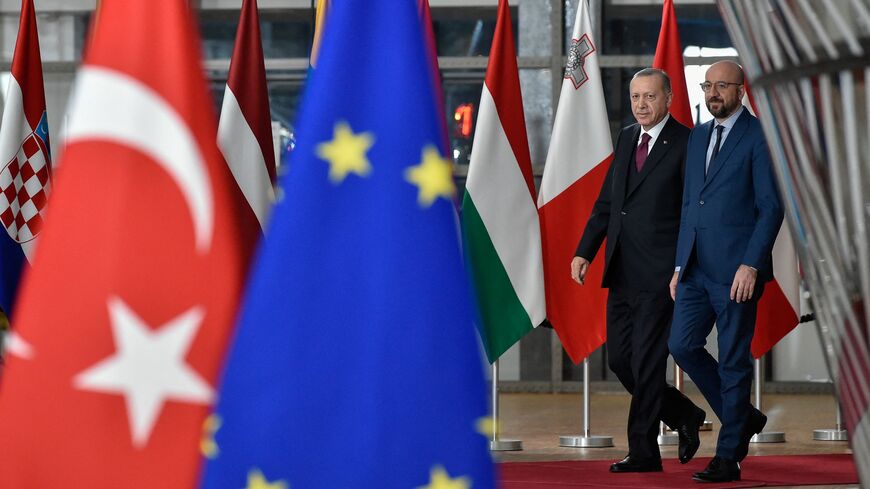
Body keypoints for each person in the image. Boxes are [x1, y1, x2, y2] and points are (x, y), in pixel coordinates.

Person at [572, 68, 706, 473]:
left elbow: (691, 212)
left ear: (667, 98)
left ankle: (644, 452)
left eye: (650, 97)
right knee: (621, 362)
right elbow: (609, 202)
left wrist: (682, 265)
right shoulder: (627, 136)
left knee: (648, 363)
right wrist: (585, 251)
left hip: (661, 273)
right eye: (635, 97)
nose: (642, 105)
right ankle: (684, 414)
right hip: (622, 269)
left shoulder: (687, 142)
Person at [668, 60, 784, 483]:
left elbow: (771, 207)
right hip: (696, 269)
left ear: (741, 90)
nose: (713, 93)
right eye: (707, 85)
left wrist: (751, 264)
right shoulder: (698, 136)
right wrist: (680, 264)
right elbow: (689, 205)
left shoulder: (759, 137)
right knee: (681, 346)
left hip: (737, 272)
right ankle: (745, 417)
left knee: (734, 361)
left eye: (722, 86)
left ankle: (729, 456)